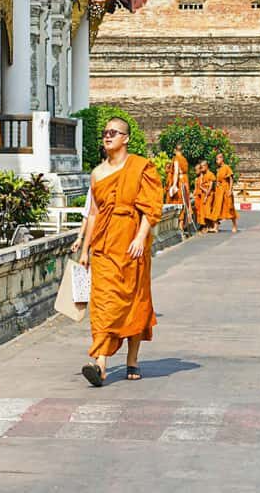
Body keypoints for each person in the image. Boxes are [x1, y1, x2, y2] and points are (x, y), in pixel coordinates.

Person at [78, 116, 162, 386]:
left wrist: (140, 237)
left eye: (113, 132)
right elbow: (93, 213)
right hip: (104, 246)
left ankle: (132, 359)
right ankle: (100, 364)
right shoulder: (97, 173)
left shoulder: (141, 167)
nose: (107, 136)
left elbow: (150, 207)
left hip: (131, 244)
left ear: (126, 138)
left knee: (134, 301)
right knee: (103, 303)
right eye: (105, 132)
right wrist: (85, 249)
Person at [165, 143, 191, 233]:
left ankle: (180, 225)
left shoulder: (176, 159)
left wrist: (174, 185)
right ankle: (183, 224)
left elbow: (176, 172)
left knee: (178, 201)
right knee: (185, 201)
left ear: (175, 150)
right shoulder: (184, 159)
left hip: (179, 181)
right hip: (185, 181)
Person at [211, 152, 238, 233]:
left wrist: (230, 189)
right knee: (217, 207)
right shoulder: (218, 169)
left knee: (230, 207)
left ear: (222, 159)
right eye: (216, 159)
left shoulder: (226, 167)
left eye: (218, 159)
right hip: (219, 191)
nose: (216, 161)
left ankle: (234, 225)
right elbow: (218, 180)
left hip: (226, 189)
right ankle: (216, 227)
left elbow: (231, 179)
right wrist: (217, 184)